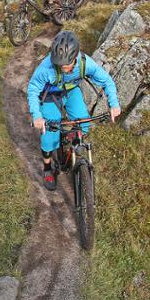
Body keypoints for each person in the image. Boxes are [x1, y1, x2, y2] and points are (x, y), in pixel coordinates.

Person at [26, 30, 120, 191]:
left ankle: (71, 139)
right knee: (49, 134)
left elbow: (107, 81)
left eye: (66, 64)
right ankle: (48, 167)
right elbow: (33, 89)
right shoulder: (46, 68)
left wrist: (114, 104)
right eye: (59, 64)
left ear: (75, 57)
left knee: (83, 123)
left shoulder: (86, 63)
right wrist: (37, 116)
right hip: (50, 96)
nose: (62, 67)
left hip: (71, 91)